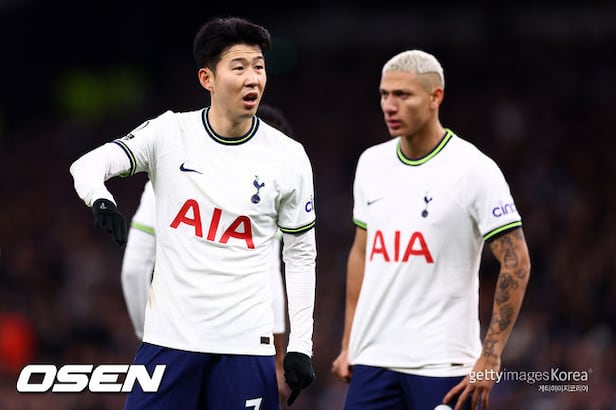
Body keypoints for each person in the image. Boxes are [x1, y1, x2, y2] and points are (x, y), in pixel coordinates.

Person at [70, 17, 316, 410]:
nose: (252, 78)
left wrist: (300, 345)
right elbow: (87, 165)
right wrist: (100, 199)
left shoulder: (288, 156)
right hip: (171, 342)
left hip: (245, 348)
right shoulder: (169, 134)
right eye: (239, 67)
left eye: (259, 67)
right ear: (207, 78)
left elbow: (301, 256)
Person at [331, 49, 530, 410]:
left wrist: (491, 356)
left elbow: (517, 262)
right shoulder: (371, 163)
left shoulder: (474, 170)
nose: (389, 106)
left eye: (402, 95)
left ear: (435, 97)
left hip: (443, 363)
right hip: (373, 360)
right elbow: (361, 253)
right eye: (384, 94)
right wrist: (349, 343)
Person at [120, 104, 296, 404]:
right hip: (242, 345)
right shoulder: (268, 196)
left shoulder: (167, 177)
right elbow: (270, 279)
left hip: (175, 337)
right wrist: (278, 358)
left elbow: (134, 269)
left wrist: (148, 333)